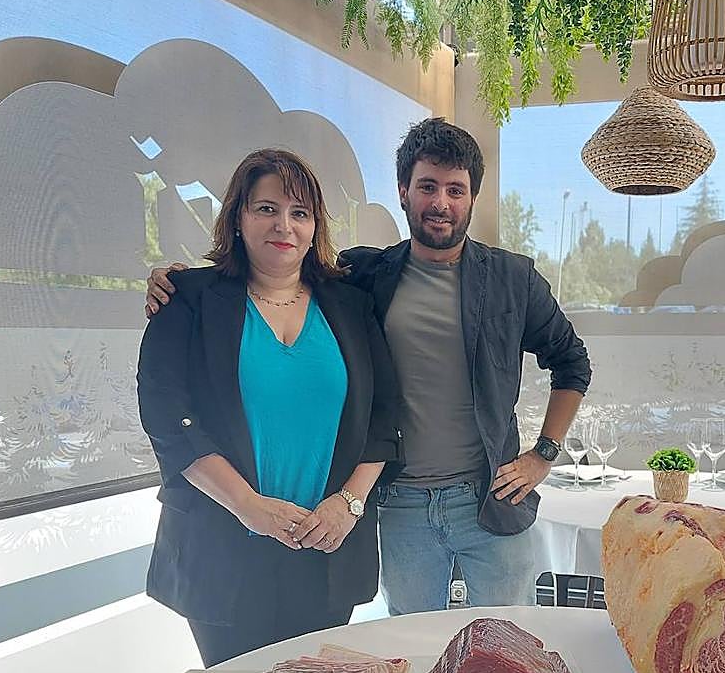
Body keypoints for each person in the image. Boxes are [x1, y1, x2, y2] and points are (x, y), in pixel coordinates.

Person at [146, 118, 591, 615]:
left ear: (472, 198)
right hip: (399, 507)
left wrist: (543, 454)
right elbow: (285, 278)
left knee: (506, 648)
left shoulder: (514, 279)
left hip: (488, 502)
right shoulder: (361, 276)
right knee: (413, 656)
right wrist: (180, 283)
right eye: (427, 186)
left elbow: (571, 363)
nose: (440, 203)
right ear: (403, 192)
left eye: (455, 189)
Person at [137, 148, 401, 666]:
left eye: (300, 213)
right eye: (266, 208)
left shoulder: (350, 304)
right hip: (223, 548)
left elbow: (385, 415)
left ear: (315, 226)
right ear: (238, 216)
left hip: (326, 543)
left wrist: (348, 503)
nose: (284, 224)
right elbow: (168, 419)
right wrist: (249, 508)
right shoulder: (187, 298)